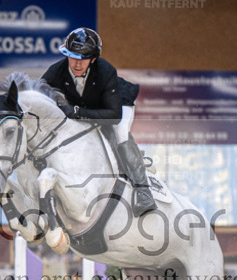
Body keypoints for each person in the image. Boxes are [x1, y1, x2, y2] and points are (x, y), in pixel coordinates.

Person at [41, 27, 156, 216]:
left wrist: (77, 112)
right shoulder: (56, 71)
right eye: (72, 56)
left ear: (93, 59)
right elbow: (39, 95)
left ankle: (143, 189)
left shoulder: (105, 70)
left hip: (117, 107)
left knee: (119, 135)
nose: (77, 64)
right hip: (85, 108)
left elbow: (113, 115)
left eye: (83, 59)